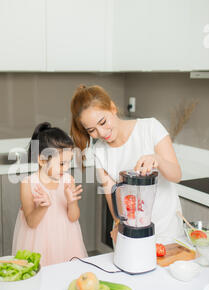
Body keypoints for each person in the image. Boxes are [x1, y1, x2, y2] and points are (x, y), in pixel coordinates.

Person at [70, 84, 184, 242]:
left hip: (168, 231)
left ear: (112, 108)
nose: (101, 133)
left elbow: (176, 175)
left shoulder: (150, 128)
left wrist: (157, 159)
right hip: (132, 234)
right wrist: (118, 225)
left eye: (102, 122)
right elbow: (113, 199)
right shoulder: (99, 153)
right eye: (91, 130)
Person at [12, 122, 87, 266]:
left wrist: (71, 203)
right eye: (61, 164)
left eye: (68, 162)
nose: (66, 168)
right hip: (39, 243)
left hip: (66, 239)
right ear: (42, 160)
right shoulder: (28, 184)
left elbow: (73, 217)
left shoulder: (68, 180)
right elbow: (31, 223)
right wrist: (42, 207)